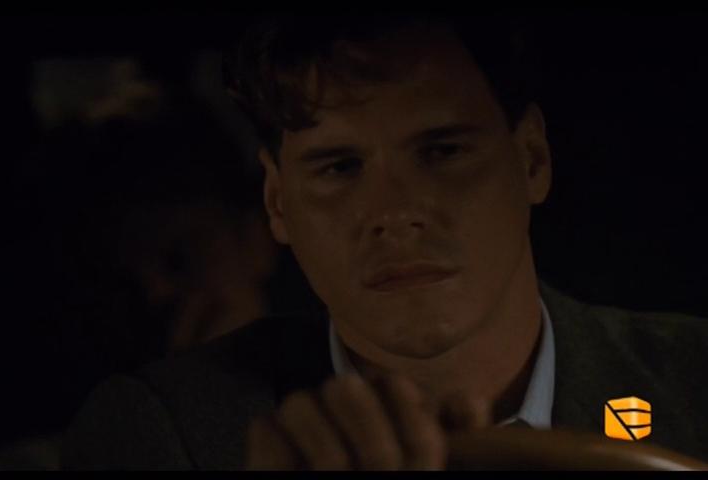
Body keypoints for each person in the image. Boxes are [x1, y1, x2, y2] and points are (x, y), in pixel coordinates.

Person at [60, 14, 708, 469]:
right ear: (278, 202)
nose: (393, 214)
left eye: (442, 151)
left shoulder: (691, 383)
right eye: (340, 168)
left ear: (531, 160)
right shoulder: (168, 434)